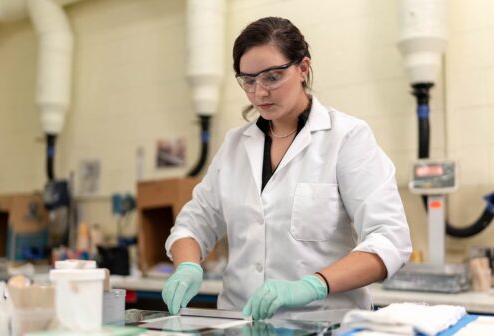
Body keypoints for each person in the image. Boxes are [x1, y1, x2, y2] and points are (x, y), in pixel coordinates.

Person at [162, 16, 412, 321]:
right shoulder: (235, 146)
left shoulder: (346, 138)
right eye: (248, 81)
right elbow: (193, 224)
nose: (259, 93)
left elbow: (389, 239)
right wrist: (187, 265)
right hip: (239, 322)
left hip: (321, 322)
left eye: (272, 77)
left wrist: (315, 284)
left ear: (303, 68)